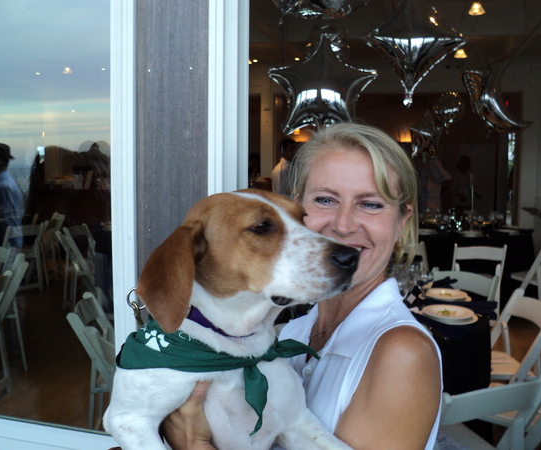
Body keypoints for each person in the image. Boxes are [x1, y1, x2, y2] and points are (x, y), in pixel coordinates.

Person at [162, 123, 442, 449]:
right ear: (292, 212)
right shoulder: (292, 332)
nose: (343, 225)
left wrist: (193, 443)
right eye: (325, 199)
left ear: (401, 223)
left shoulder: (401, 353)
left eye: (371, 204)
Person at [417, 149, 451, 213]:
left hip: (431, 209)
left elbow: (447, 179)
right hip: (420, 209)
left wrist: (438, 193)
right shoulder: (417, 161)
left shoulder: (431, 160)